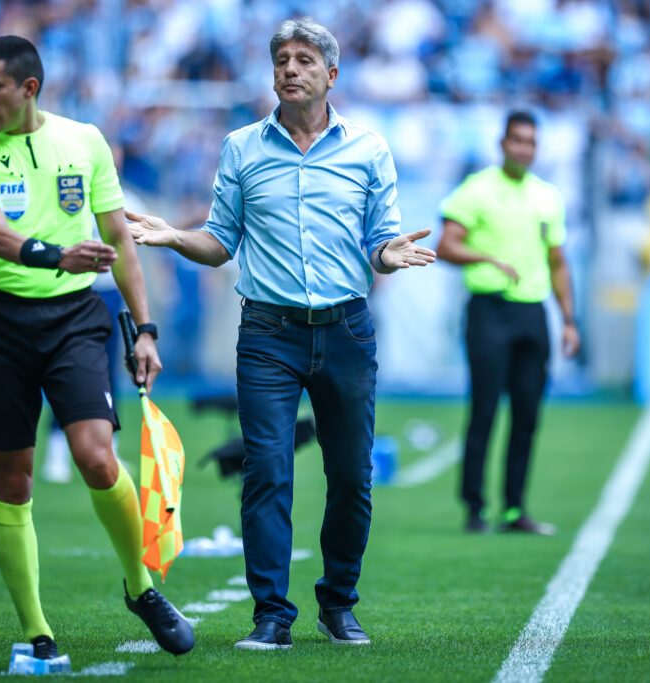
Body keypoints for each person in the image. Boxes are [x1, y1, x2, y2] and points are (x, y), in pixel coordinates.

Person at [127, 17, 435, 650]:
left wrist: (389, 257)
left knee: (352, 476)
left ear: (331, 74)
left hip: (346, 331)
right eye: (281, 60)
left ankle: (338, 604)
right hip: (267, 334)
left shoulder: (368, 148)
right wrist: (174, 237)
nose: (290, 69)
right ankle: (271, 614)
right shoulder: (241, 146)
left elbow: (381, 241)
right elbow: (219, 242)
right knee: (267, 470)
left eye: (303, 59)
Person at [0, 35, 193, 660]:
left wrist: (145, 329)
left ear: (29, 88)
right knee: (12, 479)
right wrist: (54, 254)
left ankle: (140, 587)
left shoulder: (84, 141)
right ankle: (37, 631)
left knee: (96, 457)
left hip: (75, 318)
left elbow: (121, 238)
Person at [436, 110, 580, 536]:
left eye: (531, 142)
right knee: (483, 411)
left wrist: (569, 319)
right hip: (489, 311)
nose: (523, 149)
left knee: (527, 414)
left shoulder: (547, 197)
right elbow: (445, 245)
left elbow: (558, 262)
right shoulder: (476, 190)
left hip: (532, 314)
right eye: (517, 140)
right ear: (502, 144)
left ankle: (516, 508)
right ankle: (475, 508)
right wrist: (486, 258)